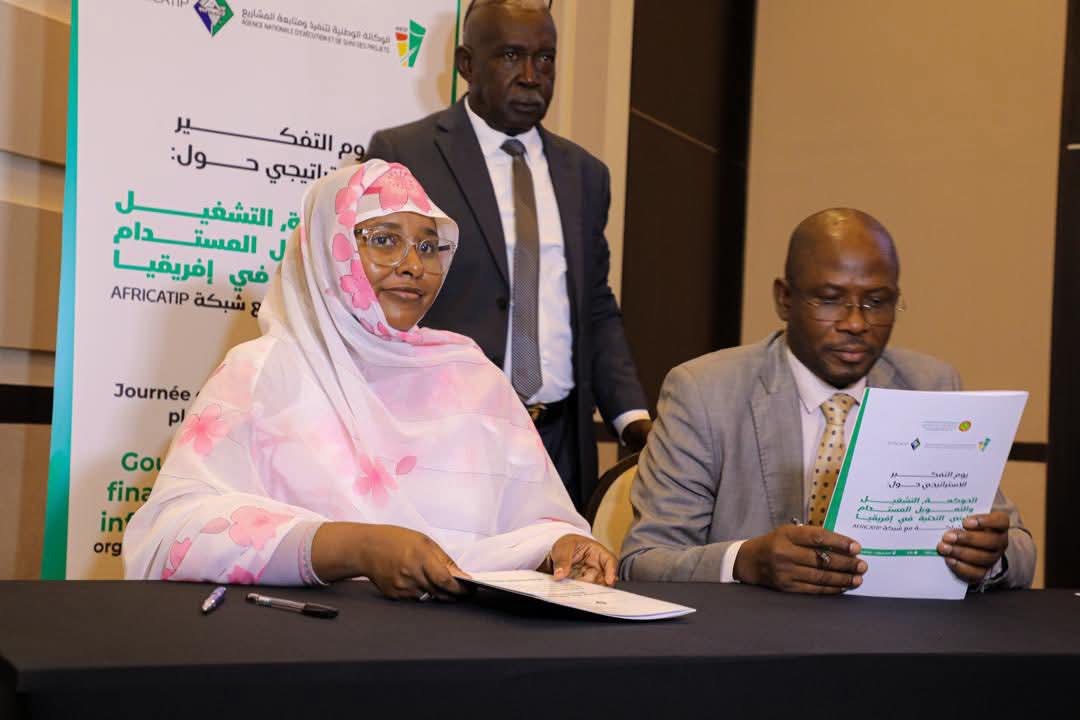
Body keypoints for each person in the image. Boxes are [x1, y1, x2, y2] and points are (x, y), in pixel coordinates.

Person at [123, 160, 617, 598]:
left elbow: (535, 520)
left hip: (471, 647)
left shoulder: (472, 377)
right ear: (326, 249)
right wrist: (354, 547)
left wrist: (563, 545)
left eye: (428, 246)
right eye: (384, 240)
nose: (414, 266)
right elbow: (168, 538)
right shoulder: (263, 372)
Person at [619, 208, 1036, 593]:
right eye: (830, 299)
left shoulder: (930, 385)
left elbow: (1020, 550)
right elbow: (644, 561)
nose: (856, 323)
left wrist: (989, 558)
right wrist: (744, 561)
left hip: (894, 633)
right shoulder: (705, 391)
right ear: (785, 299)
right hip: (753, 637)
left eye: (877, 302)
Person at [365, 0, 650, 508]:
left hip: (560, 442)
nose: (531, 76)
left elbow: (595, 306)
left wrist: (631, 418)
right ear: (467, 64)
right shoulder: (406, 154)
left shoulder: (585, 175)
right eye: (511, 56)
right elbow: (375, 300)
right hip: (446, 437)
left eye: (545, 59)